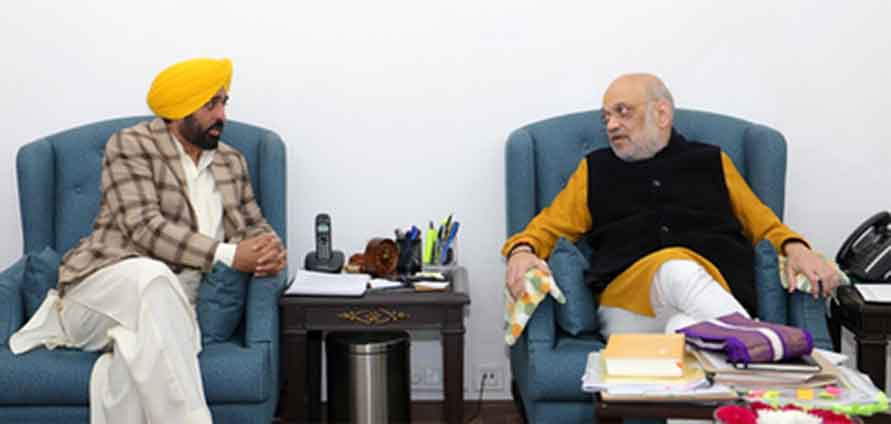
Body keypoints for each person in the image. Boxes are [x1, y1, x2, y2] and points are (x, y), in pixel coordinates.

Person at [10, 57, 287, 424]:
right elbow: (145, 229)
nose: (222, 115)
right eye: (211, 104)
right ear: (181, 109)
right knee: (154, 278)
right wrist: (231, 255)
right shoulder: (131, 145)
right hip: (98, 295)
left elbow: (255, 227)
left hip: (175, 312)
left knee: (137, 353)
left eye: (224, 103)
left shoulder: (231, 162)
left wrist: (270, 251)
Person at [502, 73, 839, 340]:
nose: (611, 125)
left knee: (682, 331)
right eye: (606, 117)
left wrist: (796, 248)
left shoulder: (712, 161)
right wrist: (522, 250)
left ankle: (739, 357)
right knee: (676, 268)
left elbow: (763, 223)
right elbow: (548, 226)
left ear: (661, 114)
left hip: (711, 294)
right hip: (628, 307)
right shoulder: (595, 169)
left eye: (622, 112)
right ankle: (768, 351)